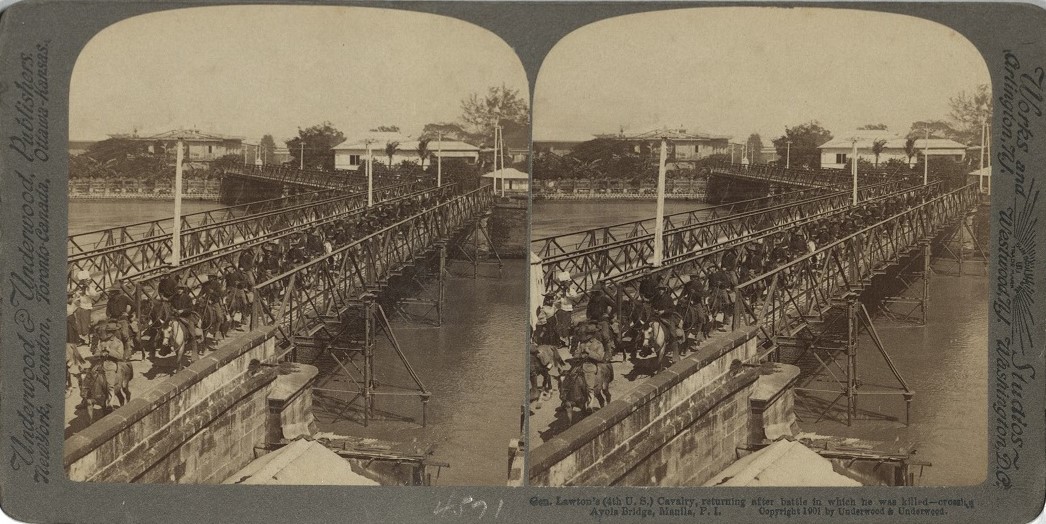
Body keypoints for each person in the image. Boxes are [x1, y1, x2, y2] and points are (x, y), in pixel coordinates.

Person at [104, 284, 136, 361]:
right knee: (108, 334)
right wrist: (108, 316)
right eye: (110, 292)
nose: (110, 294)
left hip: (122, 319)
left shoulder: (124, 298)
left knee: (125, 335)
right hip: (112, 319)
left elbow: (134, 305)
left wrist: (128, 313)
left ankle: (128, 352)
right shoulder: (110, 301)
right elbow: (107, 311)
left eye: (112, 292)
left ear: (116, 292)